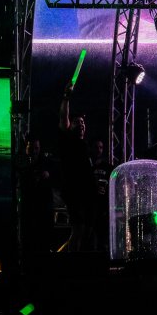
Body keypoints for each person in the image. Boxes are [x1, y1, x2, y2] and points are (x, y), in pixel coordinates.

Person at [58, 83, 98, 251]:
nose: (81, 124)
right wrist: (66, 97)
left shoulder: (85, 146)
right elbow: (63, 118)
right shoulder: (68, 140)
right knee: (79, 229)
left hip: (87, 195)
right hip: (74, 193)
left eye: (82, 122)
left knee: (88, 230)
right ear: (70, 125)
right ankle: (70, 260)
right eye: (76, 122)